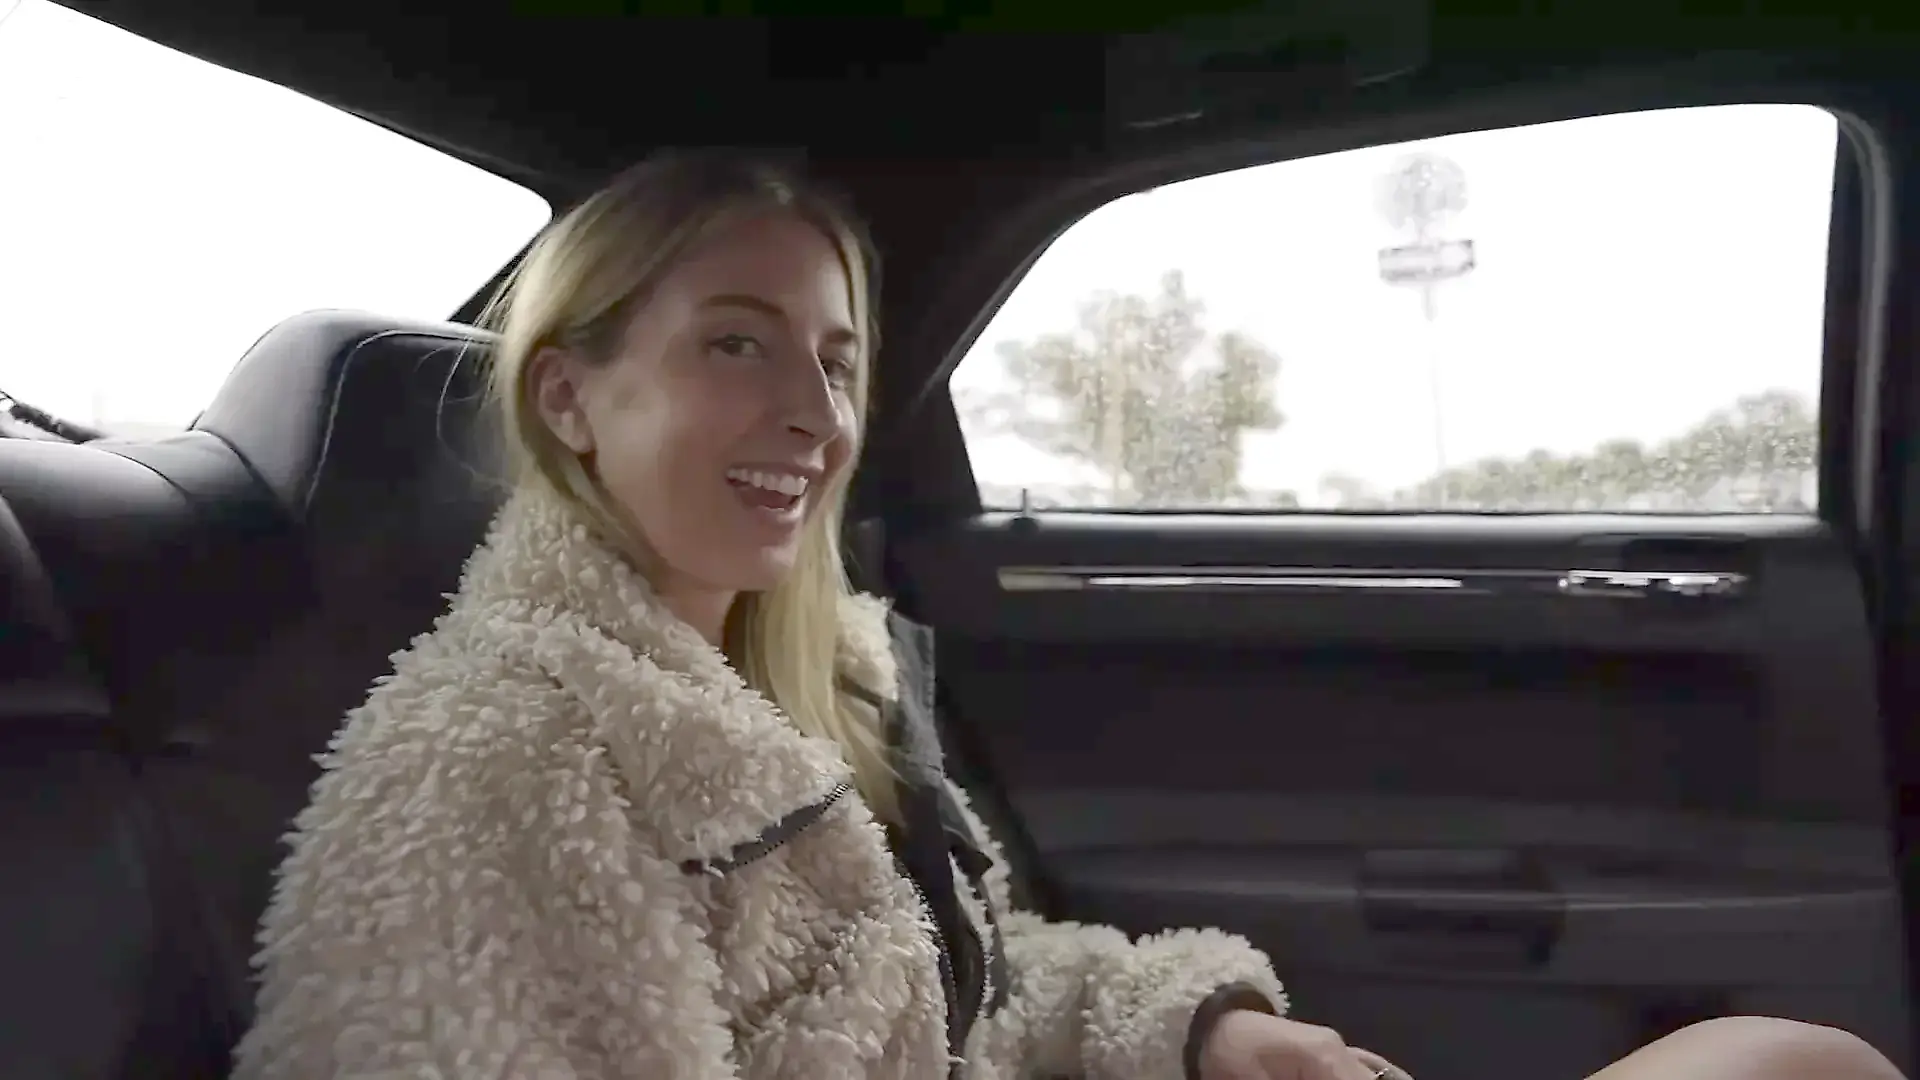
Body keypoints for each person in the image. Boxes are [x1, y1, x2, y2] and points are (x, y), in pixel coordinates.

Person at [230, 152, 1908, 1080]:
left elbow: (942, 989)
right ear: (572, 398)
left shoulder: (811, 681)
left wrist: (1206, 1034)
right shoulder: (496, 761)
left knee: (1789, 1065)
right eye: (735, 342)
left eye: (835, 359)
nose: (814, 412)